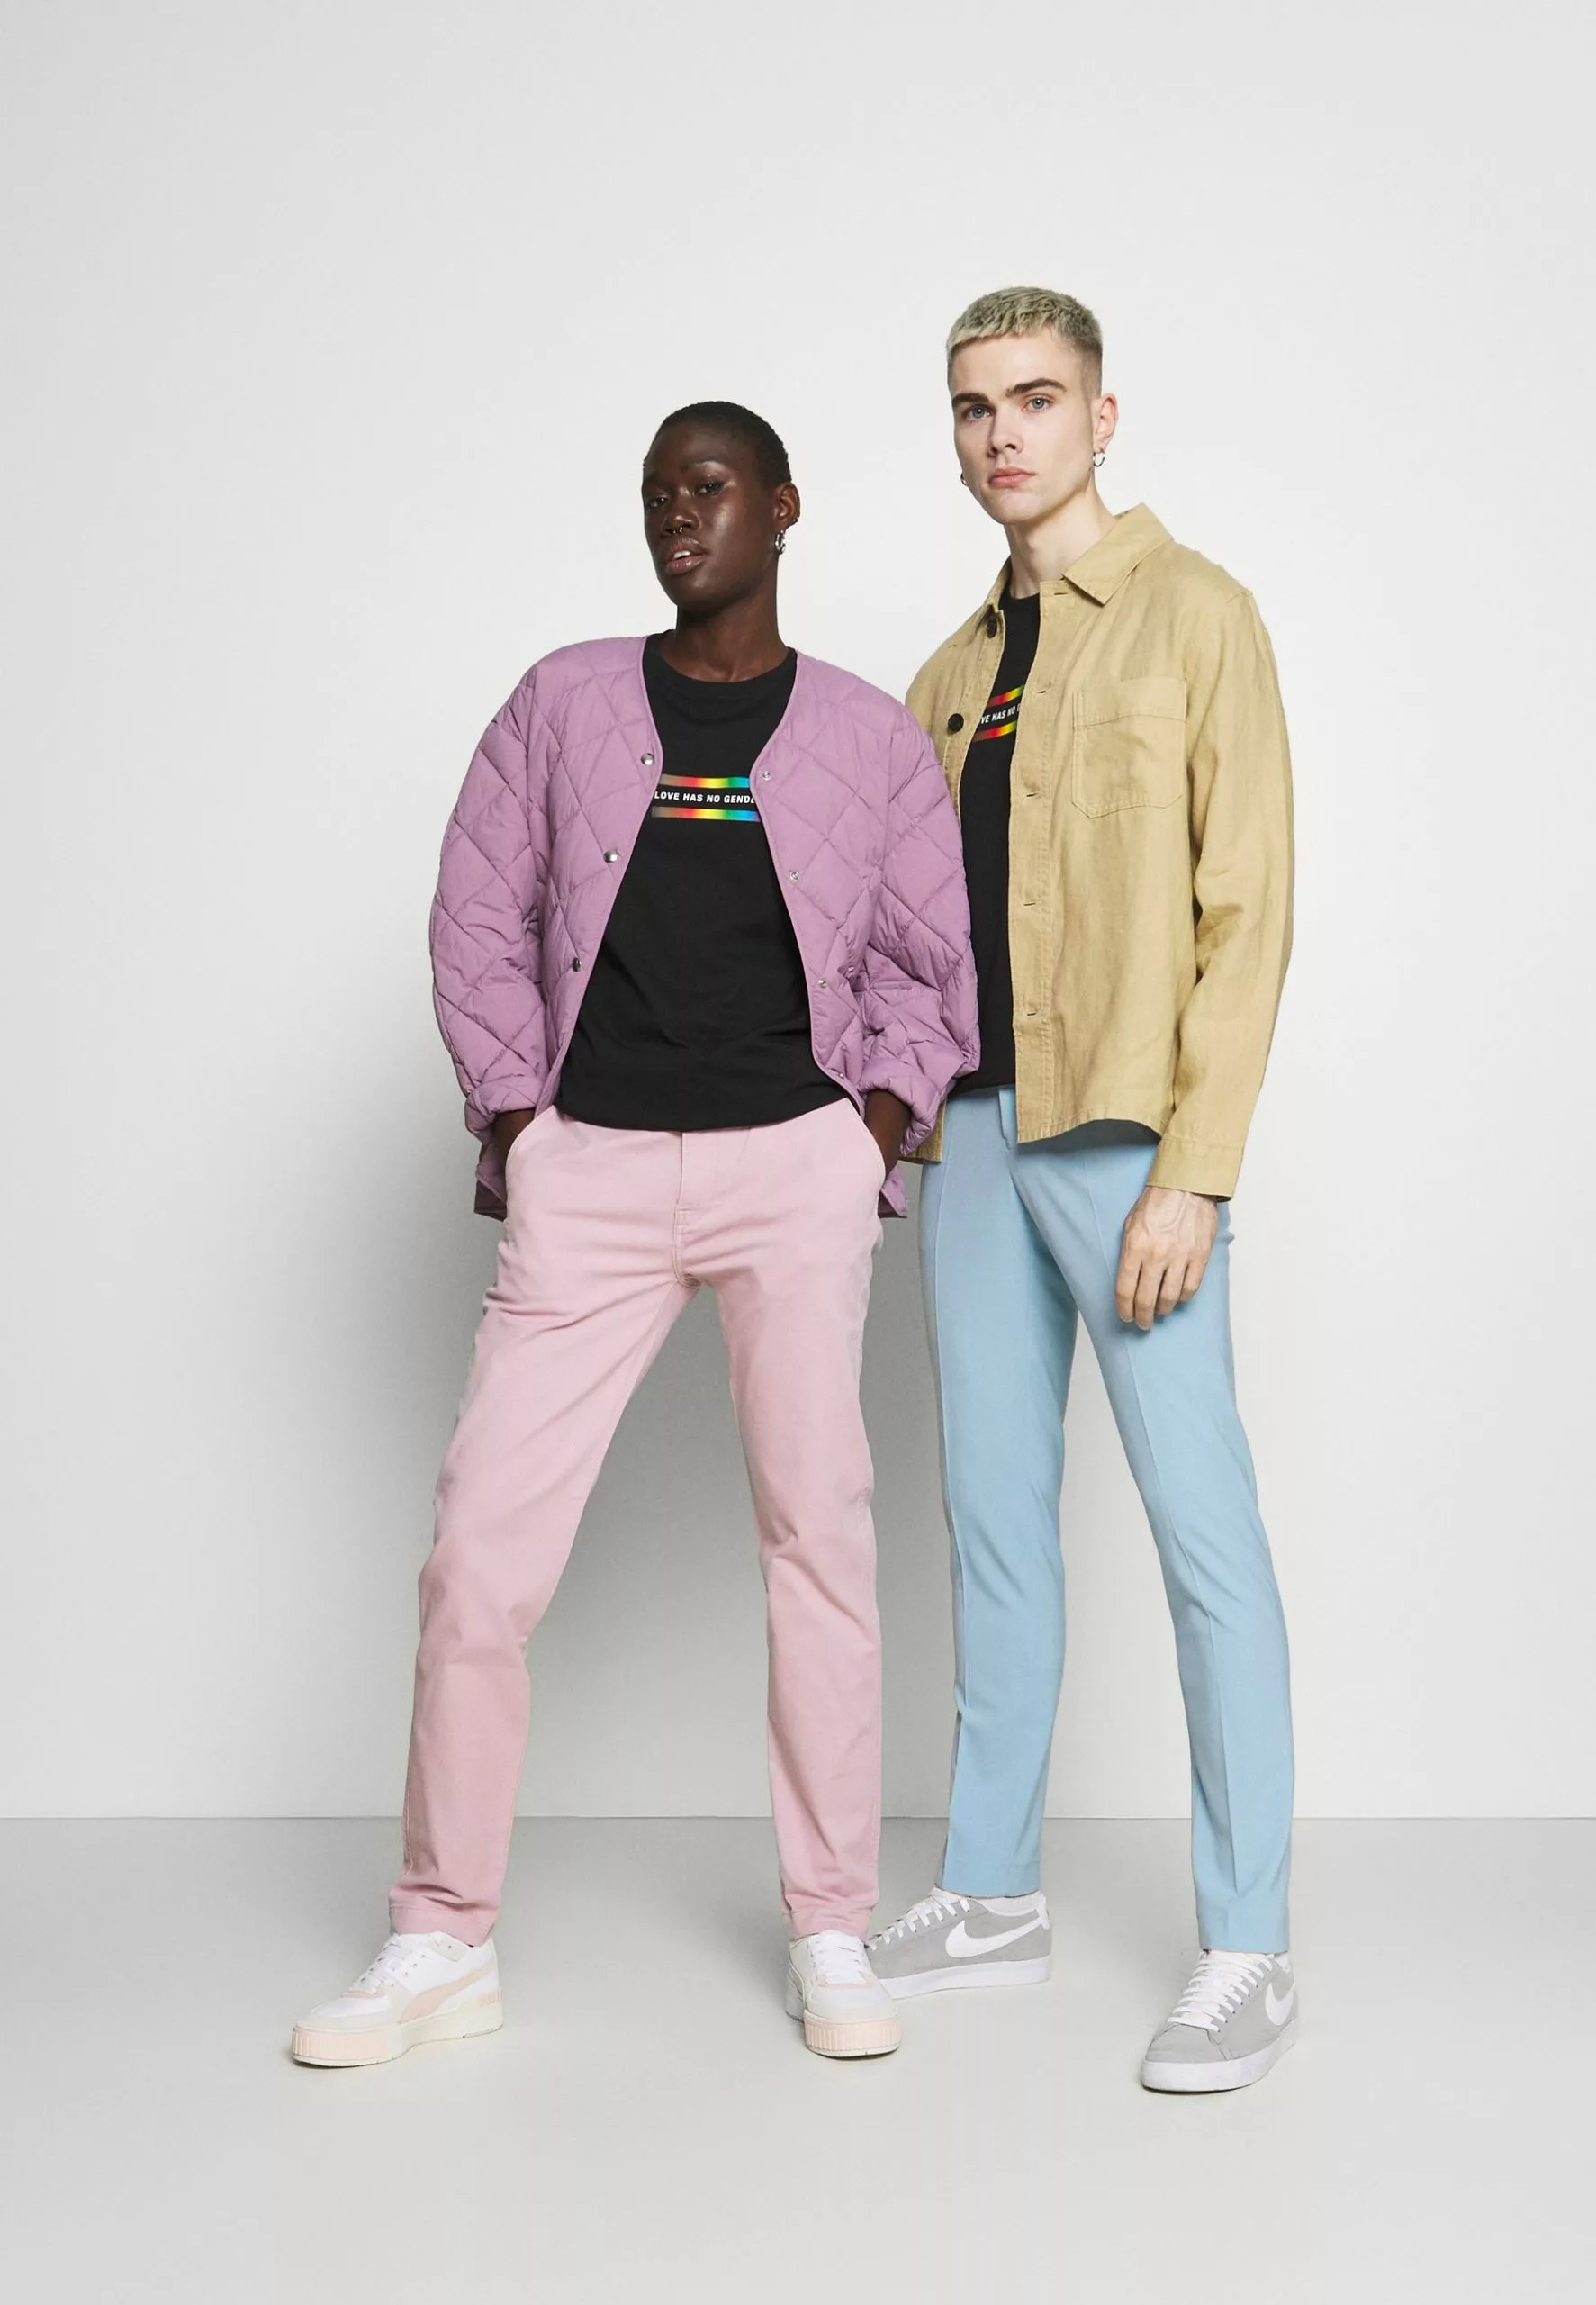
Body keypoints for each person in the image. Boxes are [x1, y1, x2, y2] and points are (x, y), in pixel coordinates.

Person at [291, 401, 977, 2067]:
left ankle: (830, 1924)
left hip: (791, 1171)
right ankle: (441, 1936)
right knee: (479, 1554)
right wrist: (519, 1127)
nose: (681, 513)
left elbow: (930, 961)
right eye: (661, 491)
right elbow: (478, 911)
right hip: (589, 1174)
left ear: (782, 510)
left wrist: (869, 1133)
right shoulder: (563, 701)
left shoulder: (872, 738)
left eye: (711, 487)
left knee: (818, 1543)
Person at [867, 290, 1299, 2093]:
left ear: (1101, 417)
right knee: (991, 1521)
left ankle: (1248, 1942)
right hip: (970, 1141)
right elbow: (899, 934)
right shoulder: (946, 675)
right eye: (975, 406)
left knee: (1202, 1534)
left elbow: (1247, 913)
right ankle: (990, 1890)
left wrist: (1195, 1174)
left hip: (1125, 1140)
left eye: (1036, 399)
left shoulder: (1199, 617)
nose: (1004, 435)